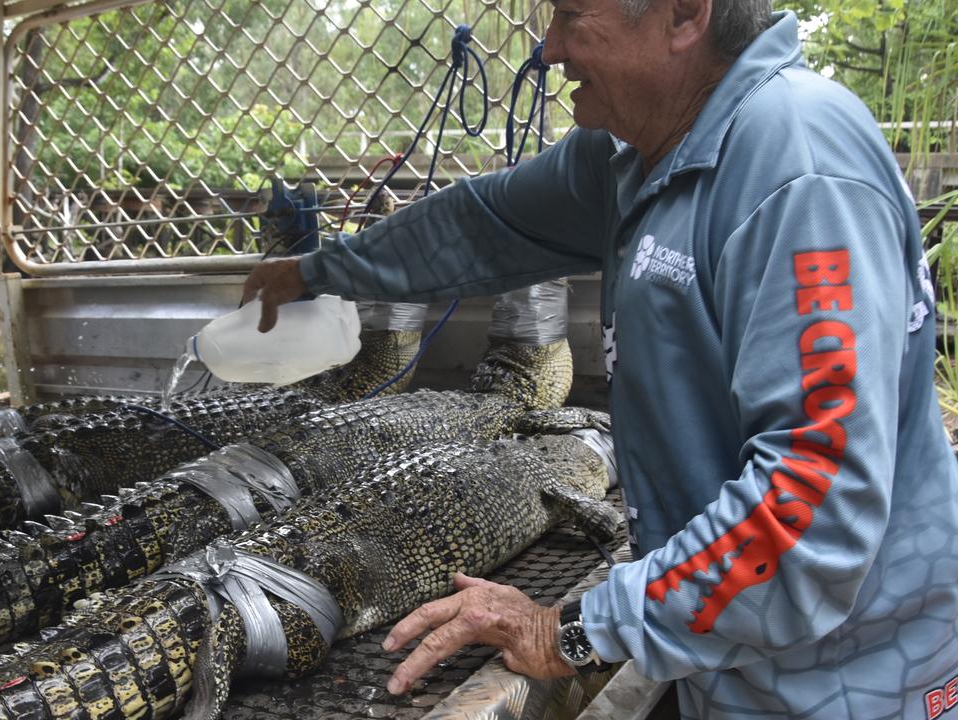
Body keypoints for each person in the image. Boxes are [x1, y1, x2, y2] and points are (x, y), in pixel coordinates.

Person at [240, 0, 958, 716]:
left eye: (573, 15)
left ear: (683, 15)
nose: (549, 50)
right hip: (726, 665)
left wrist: (575, 629)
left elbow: (815, 508)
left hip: (848, 685)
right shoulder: (636, 155)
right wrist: (314, 271)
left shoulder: (798, 167)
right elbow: (478, 224)